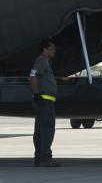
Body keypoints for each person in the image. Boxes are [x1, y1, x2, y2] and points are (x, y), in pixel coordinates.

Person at [28, 39, 60, 167]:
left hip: (45, 101)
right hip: (44, 102)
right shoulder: (42, 61)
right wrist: (36, 94)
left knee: (41, 130)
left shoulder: (44, 61)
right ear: (44, 50)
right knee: (47, 129)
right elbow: (32, 76)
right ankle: (45, 158)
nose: (54, 51)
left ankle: (39, 157)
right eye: (51, 49)